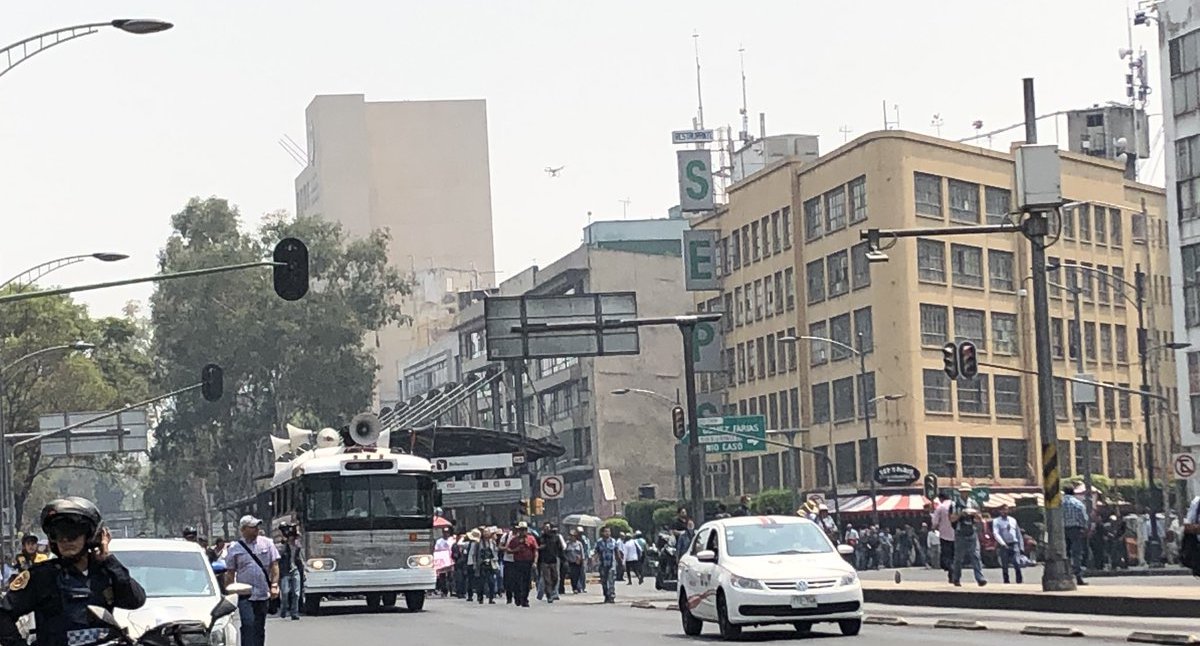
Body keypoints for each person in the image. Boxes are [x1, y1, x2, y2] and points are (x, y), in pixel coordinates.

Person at [0, 497, 146, 646]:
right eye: (58, 535)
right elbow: (3, 613)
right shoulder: (42, 576)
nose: (65, 541)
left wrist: (109, 560)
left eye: (72, 533)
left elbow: (135, 600)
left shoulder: (106, 572)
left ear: (91, 535)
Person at [224, 515, 280, 646]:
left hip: (262, 593)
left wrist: (275, 585)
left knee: (259, 626)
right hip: (245, 595)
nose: (256, 529)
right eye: (252, 527)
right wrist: (229, 592)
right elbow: (230, 572)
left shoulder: (267, 543)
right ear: (243, 529)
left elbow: (274, 565)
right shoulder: (235, 548)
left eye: (257, 527)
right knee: (248, 624)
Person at [950, 483, 986, 587]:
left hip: (972, 531)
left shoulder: (973, 503)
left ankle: (980, 578)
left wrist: (974, 514)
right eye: (963, 492)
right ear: (960, 492)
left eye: (967, 492)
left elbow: (979, 517)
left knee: (976, 556)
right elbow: (951, 519)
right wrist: (961, 514)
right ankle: (956, 578)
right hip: (960, 532)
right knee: (958, 558)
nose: (965, 494)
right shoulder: (954, 504)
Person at [505, 522, 538, 608]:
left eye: (524, 530)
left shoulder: (531, 539)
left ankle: (525, 599)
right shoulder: (514, 540)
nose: (523, 531)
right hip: (517, 562)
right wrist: (515, 550)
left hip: (528, 563)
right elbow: (508, 550)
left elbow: (535, 550)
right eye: (521, 530)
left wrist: (535, 562)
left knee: (526, 582)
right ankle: (518, 597)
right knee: (517, 581)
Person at [1062, 486, 1088, 586]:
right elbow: (1083, 517)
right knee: (1077, 554)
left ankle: (1066, 575)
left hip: (1063, 530)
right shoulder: (1078, 503)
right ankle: (1078, 577)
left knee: (1065, 553)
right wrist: (1085, 529)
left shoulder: (1060, 503)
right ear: (1073, 493)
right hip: (1075, 530)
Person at [276, 523, 303, 620]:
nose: (293, 539)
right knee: (285, 592)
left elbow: (300, 558)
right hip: (285, 571)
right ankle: (283, 609)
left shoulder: (297, 546)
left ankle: (294, 613)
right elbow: (278, 556)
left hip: (295, 569)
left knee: (296, 593)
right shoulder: (282, 547)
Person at [992, 505, 1023, 584]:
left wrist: (1021, 546)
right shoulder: (996, 521)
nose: (1004, 512)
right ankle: (1006, 581)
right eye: (1002, 510)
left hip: (1014, 543)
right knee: (1005, 564)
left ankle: (1019, 580)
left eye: (1006, 510)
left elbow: (1018, 533)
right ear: (1000, 511)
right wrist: (1002, 543)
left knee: (1017, 562)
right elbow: (996, 533)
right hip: (1004, 545)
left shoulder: (1013, 520)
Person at [592, 526, 621, 603]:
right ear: (602, 533)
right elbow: (596, 553)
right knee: (604, 581)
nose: (607, 533)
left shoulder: (613, 541)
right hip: (602, 565)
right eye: (606, 531)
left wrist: (620, 561)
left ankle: (611, 596)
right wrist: (594, 561)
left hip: (611, 564)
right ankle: (606, 595)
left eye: (609, 531)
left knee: (611, 581)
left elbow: (617, 552)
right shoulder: (599, 542)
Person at [471, 527, 499, 604]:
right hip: (481, 565)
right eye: (485, 532)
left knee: (491, 582)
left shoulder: (492, 542)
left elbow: (495, 552)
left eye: (488, 532)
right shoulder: (478, 543)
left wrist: (494, 561)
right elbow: (475, 554)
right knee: (481, 582)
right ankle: (480, 597)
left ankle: (491, 598)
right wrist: (475, 564)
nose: (486, 534)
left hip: (491, 564)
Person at [536, 524, 563, 603]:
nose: (546, 529)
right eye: (545, 528)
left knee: (555, 578)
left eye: (548, 528)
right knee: (547, 579)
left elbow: (560, 549)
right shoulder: (541, 538)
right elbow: (536, 548)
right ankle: (549, 595)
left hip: (553, 560)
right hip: (544, 561)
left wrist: (563, 559)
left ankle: (552, 591)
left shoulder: (556, 538)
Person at [931, 493, 955, 581]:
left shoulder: (940, 508)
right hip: (957, 535)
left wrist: (935, 528)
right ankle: (953, 572)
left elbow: (935, 522)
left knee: (946, 555)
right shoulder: (955, 505)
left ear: (941, 499)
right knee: (954, 555)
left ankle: (950, 568)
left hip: (945, 535)